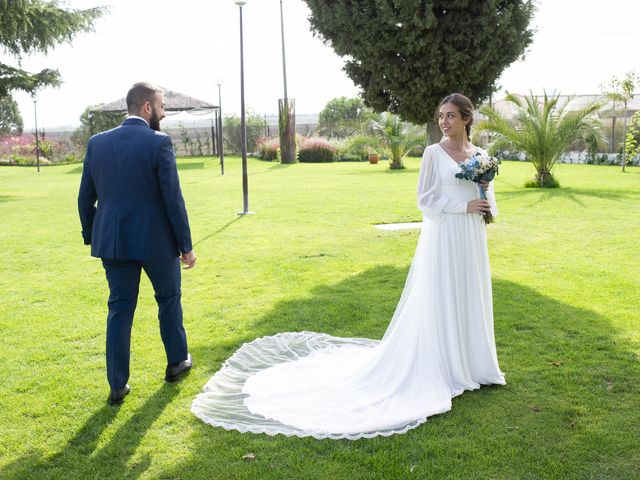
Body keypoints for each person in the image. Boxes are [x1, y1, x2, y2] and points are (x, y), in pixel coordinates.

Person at [192, 93, 504, 439]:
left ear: (465, 119)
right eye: (440, 116)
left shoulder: (481, 157)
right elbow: (425, 200)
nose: (443, 122)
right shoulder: (433, 153)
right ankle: (445, 365)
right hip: (445, 236)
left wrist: (484, 193)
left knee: (468, 293)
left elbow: (488, 202)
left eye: (450, 116)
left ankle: (474, 363)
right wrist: (461, 208)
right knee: (442, 295)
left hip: (471, 238)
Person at [78, 82, 196, 406]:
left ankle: (117, 386)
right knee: (169, 299)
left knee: (119, 309)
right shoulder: (159, 142)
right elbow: (174, 199)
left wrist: (93, 235)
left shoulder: (97, 143)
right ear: (147, 108)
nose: (164, 112)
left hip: (113, 244)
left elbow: (85, 197)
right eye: (161, 106)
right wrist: (186, 245)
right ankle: (176, 363)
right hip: (157, 244)